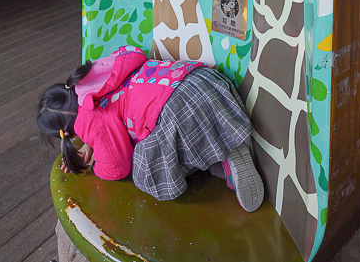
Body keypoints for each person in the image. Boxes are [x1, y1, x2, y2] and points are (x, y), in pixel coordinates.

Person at [36, 45, 264, 211]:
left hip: (179, 111)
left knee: (145, 168)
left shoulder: (89, 118)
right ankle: (227, 151)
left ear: (66, 132)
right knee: (159, 128)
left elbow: (117, 167)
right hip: (202, 81)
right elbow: (133, 54)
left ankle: (220, 163)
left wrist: (97, 165)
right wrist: (91, 141)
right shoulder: (95, 73)